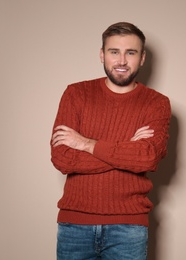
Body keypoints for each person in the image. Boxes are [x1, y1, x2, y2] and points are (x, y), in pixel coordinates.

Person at [51, 22, 171, 260]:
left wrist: (86, 143)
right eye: (114, 52)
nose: (122, 61)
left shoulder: (156, 103)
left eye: (131, 52)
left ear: (143, 58)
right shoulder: (76, 94)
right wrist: (127, 148)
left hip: (129, 228)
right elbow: (62, 158)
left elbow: (147, 158)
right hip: (75, 225)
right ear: (102, 54)